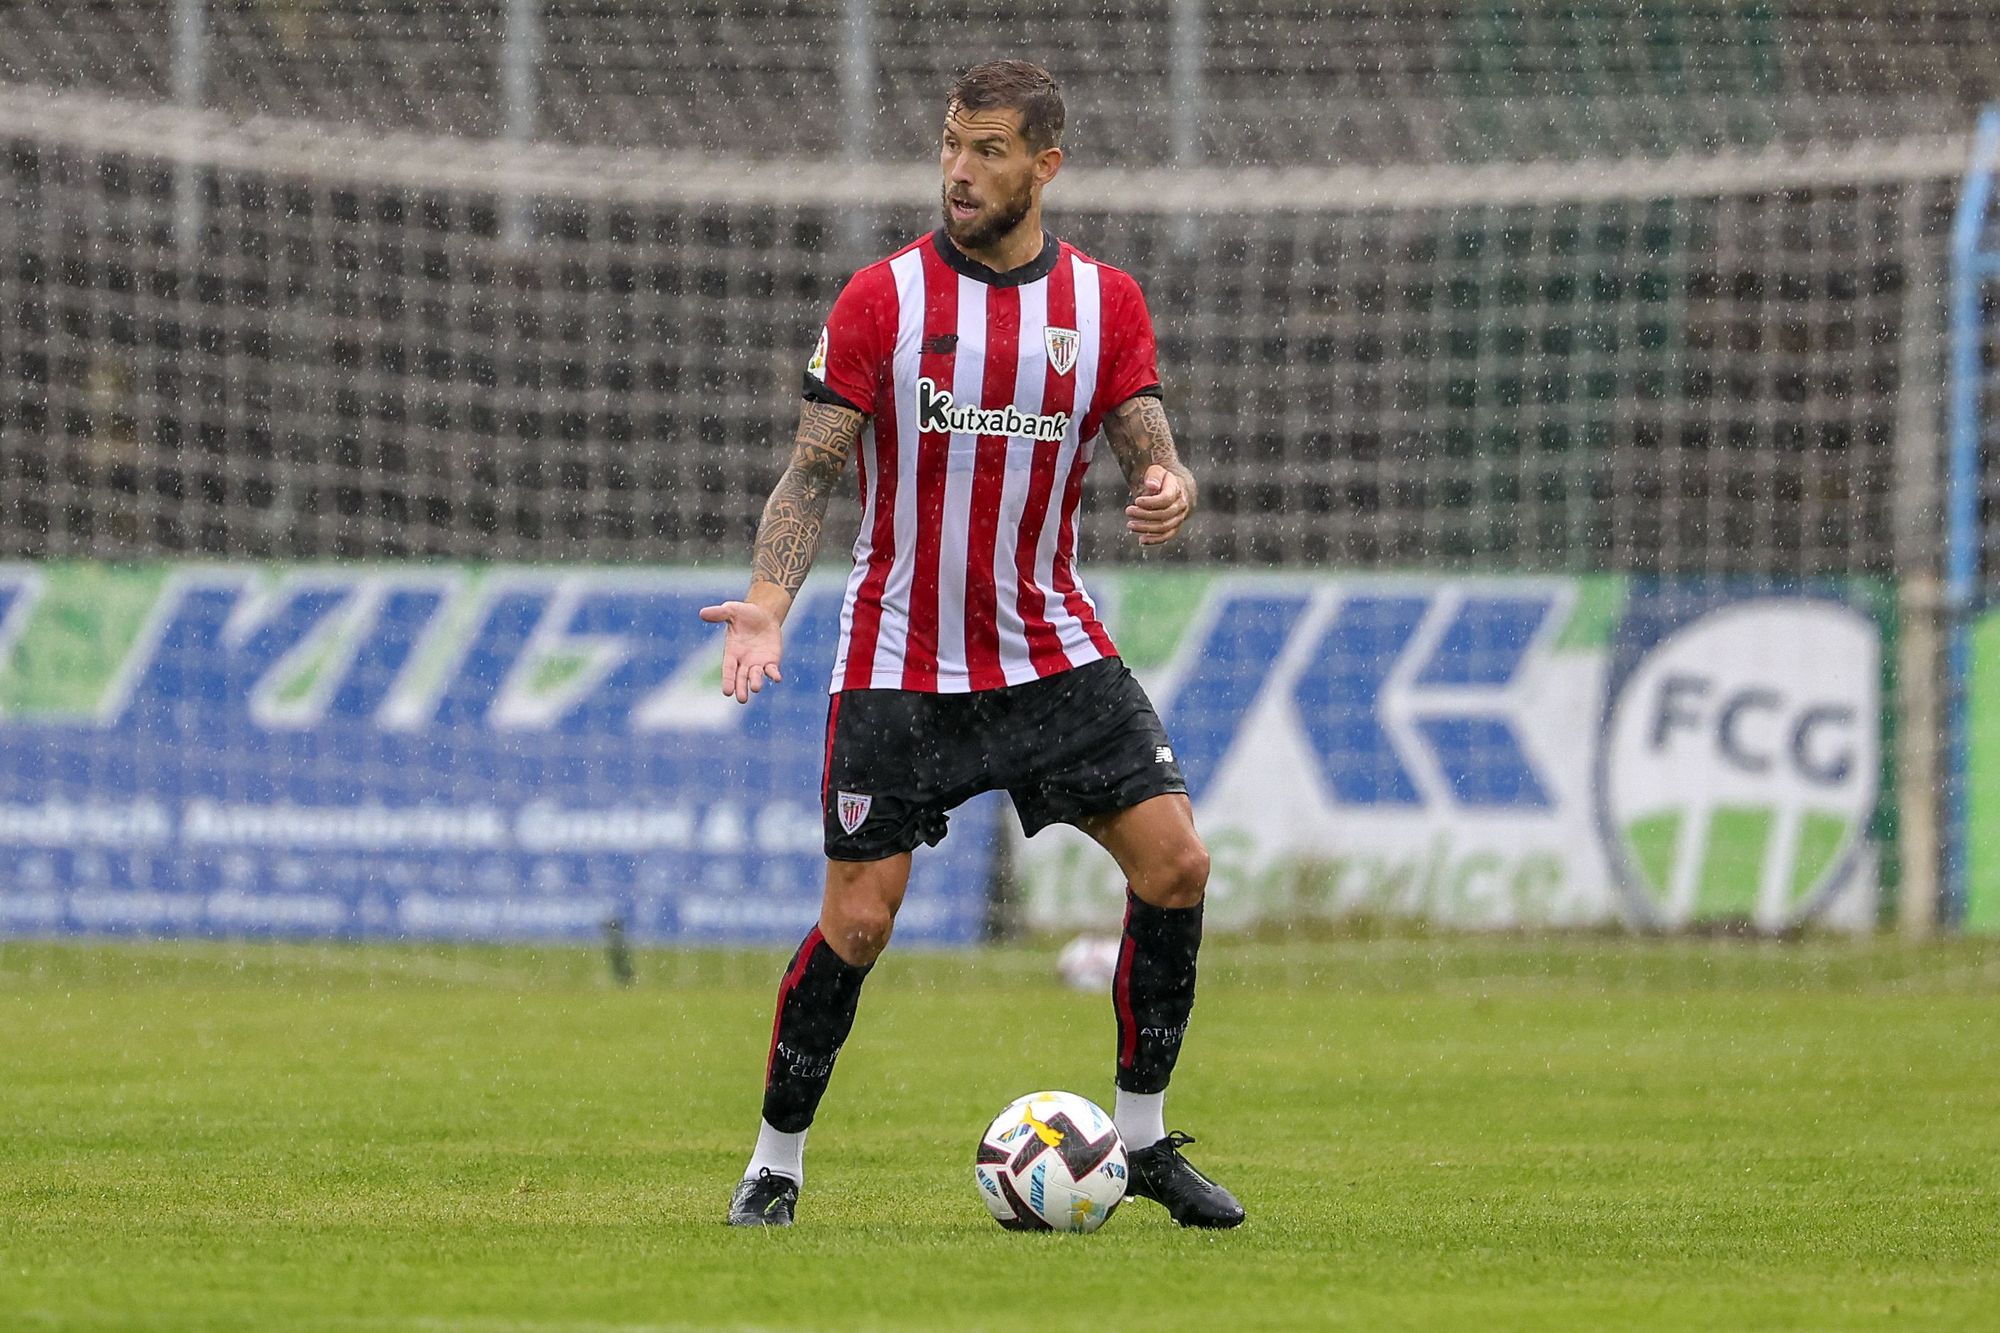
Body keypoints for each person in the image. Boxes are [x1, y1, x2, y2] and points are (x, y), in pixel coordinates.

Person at [700, 58, 1243, 1231]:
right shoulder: (880, 299)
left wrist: (1168, 482)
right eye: (951, 142)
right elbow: (813, 469)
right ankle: (774, 1163)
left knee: (1177, 867)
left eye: (989, 149)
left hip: (1052, 654)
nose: (959, 168)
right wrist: (765, 600)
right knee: (856, 925)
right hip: (902, 664)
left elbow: (1146, 440)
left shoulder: (1104, 304)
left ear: (1044, 166)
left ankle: (1140, 1143)